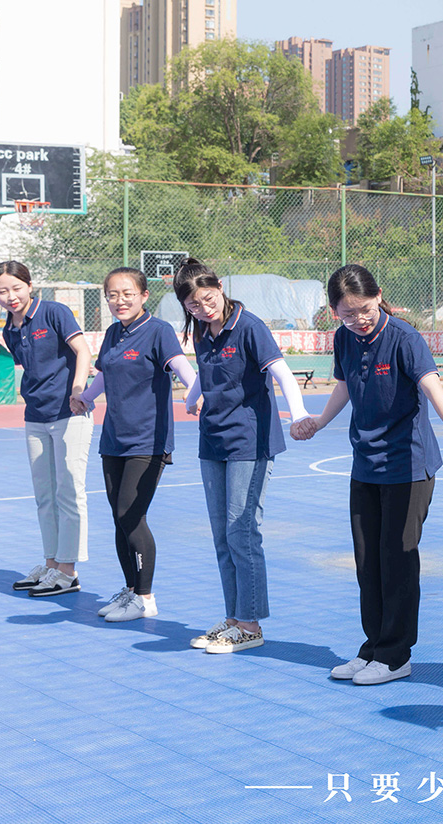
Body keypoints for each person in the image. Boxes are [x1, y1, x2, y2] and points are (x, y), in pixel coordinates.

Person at [291, 264, 443, 686]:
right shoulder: (344, 339)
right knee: (367, 562)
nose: (359, 319)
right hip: (366, 465)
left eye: (365, 309)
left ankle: (395, 655)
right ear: (335, 312)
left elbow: (433, 387)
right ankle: (373, 646)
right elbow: (344, 386)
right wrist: (319, 421)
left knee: (397, 562)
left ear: (378, 297)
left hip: (408, 468)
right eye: (348, 313)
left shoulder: (405, 338)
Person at [175, 259, 312, 654]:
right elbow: (206, 370)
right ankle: (234, 618)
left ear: (219, 287)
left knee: (242, 532)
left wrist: (298, 414)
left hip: (249, 442)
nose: (204, 308)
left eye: (208, 298)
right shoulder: (201, 330)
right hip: (212, 441)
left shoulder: (249, 327)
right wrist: (193, 395)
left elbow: (281, 372)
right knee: (222, 536)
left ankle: (250, 624)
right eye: (193, 305)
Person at [73, 267, 197, 623]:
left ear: (144, 295)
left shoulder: (158, 331)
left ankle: (145, 597)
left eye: (127, 294)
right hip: (114, 439)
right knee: (119, 517)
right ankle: (130, 590)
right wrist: (84, 397)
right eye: (112, 295)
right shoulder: (114, 332)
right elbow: (104, 374)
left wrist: (195, 391)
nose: (120, 301)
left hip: (148, 441)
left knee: (131, 514)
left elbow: (181, 366)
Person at [0, 261, 94, 598]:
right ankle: (52, 564)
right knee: (45, 496)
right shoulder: (9, 330)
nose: (11, 296)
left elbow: (83, 351)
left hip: (70, 413)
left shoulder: (54, 312)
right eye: (2, 291)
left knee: (69, 492)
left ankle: (68, 571)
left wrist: (78, 390)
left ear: (29, 286)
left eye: (16, 288)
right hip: (35, 417)